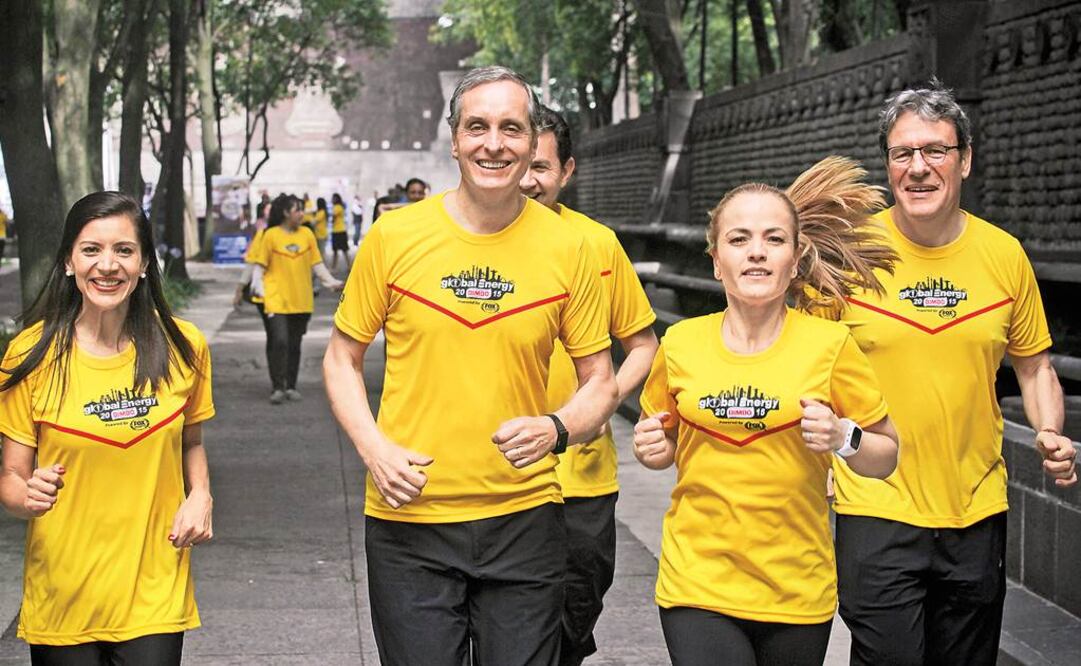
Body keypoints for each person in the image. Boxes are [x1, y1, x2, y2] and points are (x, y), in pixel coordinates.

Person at [323, 66, 618, 665]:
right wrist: (374, 447)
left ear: (534, 142)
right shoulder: (394, 236)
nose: (493, 143)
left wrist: (557, 428)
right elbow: (341, 358)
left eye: (512, 128)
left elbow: (601, 380)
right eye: (477, 127)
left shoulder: (570, 249)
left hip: (526, 518)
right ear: (454, 139)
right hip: (411, 519)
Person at [830, 80, 1077, 666]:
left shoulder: (1003, 255)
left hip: (975, 508)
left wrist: (1050, 431)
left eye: (935, 151)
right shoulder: (845, 256)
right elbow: (800, 362)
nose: (918, 167)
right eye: (902, 153)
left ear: (964, 159)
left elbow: (1035, 365)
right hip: (874, 507)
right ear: (887, 165)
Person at [634, 157, 901, 666]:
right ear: (716, 260)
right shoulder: (681, 344)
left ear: (796, 258)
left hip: (796, 589)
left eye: (774, 240)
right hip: (698, 582)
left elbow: (885, 456)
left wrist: (844, 435)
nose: (756, 253)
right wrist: (653, 449)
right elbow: (661, 445)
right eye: (739, 240)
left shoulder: (831, 346)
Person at [0, 191, 215, 664]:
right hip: (63, 592)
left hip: (154, 587)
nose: (108, 265)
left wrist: (200, 495)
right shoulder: (29, 355)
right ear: (69, 263)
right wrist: (27, 495)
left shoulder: (183, 345)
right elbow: (12, 480)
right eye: (91, 250)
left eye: (124, 250)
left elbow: (191, 440)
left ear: (143, 265)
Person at [519, 106, 658, 666]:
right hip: (499, 478)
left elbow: (642, 342)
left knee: (575, 619)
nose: (527, 180)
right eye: (518, 163)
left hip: (582, 480)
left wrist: (603, 403)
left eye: (541, 167)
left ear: (567, 170)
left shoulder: (598, 246)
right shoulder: (470, 246)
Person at [250, 194, 342, 404]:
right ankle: (278, 386)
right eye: (297, 210)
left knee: (294, 343)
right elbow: (260, 265)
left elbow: (317, 264)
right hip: (276, 298)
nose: (302, 213)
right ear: (285, 213)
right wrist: (259, 288)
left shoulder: (307, 234)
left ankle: (291, 385)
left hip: (301, 299)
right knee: (279, 340)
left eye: (302, 209)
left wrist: (331, 282)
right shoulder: (271, 235)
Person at [329, 193, 349, 270]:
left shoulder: (337, 207)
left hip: (338, 231)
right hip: (341, 231)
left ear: (336, 199)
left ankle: (334, 267)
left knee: (336, 251)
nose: (332, 200)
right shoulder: (340, 207)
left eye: (333, 198)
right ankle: (349, 266)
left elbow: (333, 217)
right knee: (344, 251)